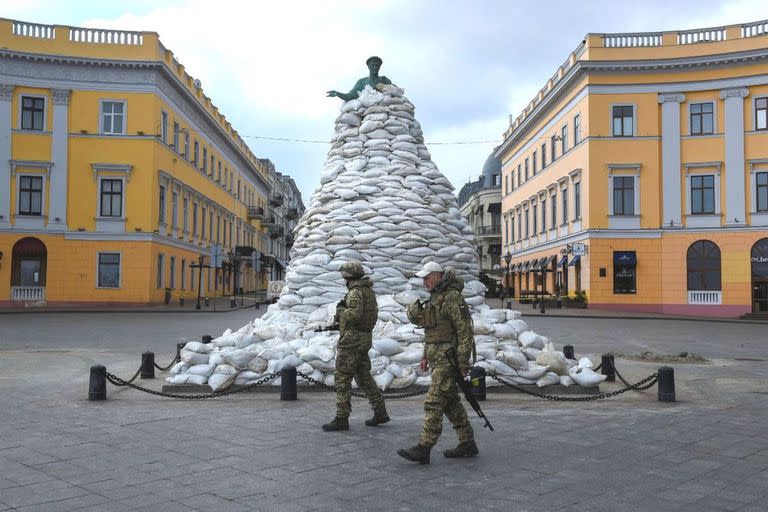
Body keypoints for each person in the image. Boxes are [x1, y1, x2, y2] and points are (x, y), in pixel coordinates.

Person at [398, 261, 478, 464]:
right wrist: (426, 355)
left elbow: (464, 331)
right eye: (423, 278)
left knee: (433, 402)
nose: (424, 281)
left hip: (449, 361)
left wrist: (462, 361)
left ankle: (424, 447)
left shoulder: (452, 298)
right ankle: (467, 442)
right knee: (450, 403)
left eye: (427, 277)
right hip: (438, 358)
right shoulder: (436, 298)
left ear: (439, 276)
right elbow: (432, 331)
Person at [322, 261, 390, 431]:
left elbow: (353, 315)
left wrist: (340, 311)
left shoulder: (355, 293)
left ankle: (341, 418)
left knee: (343, 378)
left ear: (348, 276)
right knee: (364, 377)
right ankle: (380, 412)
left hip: (351, 341)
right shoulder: (368, 292)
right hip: (364, 338)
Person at [327, 56, 392, 101]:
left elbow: (394, 91)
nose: (375, 67)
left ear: (380, 67)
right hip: (366, 112)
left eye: (377, 65)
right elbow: (350, 96)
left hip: (383, 108)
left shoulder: (384, 80)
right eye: (373, 65)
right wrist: (337, 94)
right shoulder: (362, 82)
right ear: (368, 66)